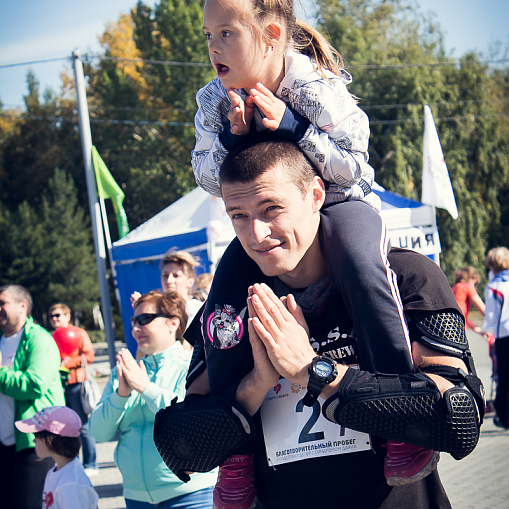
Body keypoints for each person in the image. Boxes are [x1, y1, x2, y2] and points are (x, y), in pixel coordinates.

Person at [160, 137, 484, 509]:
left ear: (316, 196)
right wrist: (256, 384)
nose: (256, 234)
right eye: (239, 216)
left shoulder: (408, 277)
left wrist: (313, 371)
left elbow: (459, 418)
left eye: (271, 209)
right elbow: (182, 448)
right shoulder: (230, 306)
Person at [192, 0, 429, 497]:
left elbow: (356, 168)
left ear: (271, 34)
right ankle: (235, 453)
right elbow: (208, 177)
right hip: (268, 214)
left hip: (340, 205)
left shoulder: (313, 85)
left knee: (363, 265)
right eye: (208, 35)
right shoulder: (214, 98)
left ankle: (398, 419)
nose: (213, 46)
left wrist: (294, 128)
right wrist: (233, 137)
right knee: (226, 295)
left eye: (227, 33)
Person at [89, 291, 216, 508]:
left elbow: (193, 422)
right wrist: (121, 395)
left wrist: (146, 388)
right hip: (137, 497)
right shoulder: (124, 371)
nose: (136, 327)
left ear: (172, 323)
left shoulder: (193, 365)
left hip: (192, 493)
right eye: (134, 320)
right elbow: (99, 433)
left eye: (145, 318)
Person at [0, 284, 65, 509]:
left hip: (35, 441)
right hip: (5, 443)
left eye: (2, 303)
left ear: (22, 305)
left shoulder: (39, 339)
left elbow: (34, 384)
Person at [48, 303, 98, 476]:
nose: (54, 319)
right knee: (64, 427)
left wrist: (69, 362)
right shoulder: (50, 337)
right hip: (59, 387)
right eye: (51, 316)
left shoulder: (79, 333)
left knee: (83, 425)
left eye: (58, 315)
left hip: (77, 384)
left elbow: (89, 355)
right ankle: (71, 462)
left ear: (67, 316)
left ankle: (91, 463)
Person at [15, 406, 99, 509]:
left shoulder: (70, 484)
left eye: (36, 435)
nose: (33, 440)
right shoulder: (57, 472)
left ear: (52, 439)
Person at [481, 247, 509, 429]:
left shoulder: (493, 286)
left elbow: (490, 316)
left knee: (504, 377)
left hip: (504, 334)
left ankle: (504, 416)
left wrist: (486, 330)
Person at [452, 267, 485, 333]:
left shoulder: (454, 288)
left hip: (450, 328)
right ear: (473, 279)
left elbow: (462, 318)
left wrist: (480, 331)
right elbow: (484, 311)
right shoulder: (467, 287)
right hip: (459, 330)